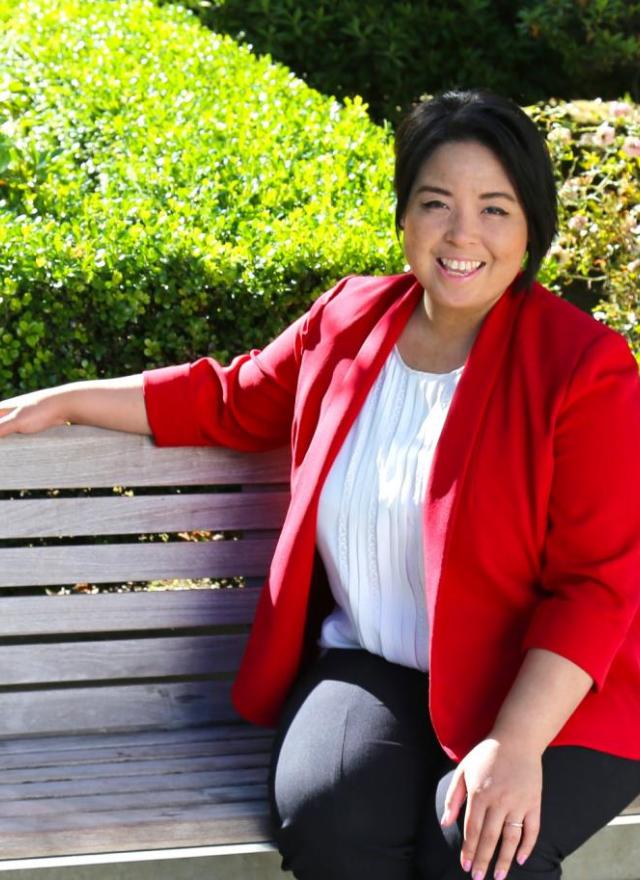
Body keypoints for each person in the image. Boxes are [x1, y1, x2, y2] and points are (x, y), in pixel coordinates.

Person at [1, 89, 639, 880]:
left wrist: (514, 745)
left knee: (471, 853)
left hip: (551, 690)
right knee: (331, 819)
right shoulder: (350, 319)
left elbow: (594, 588)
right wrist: (67, 398)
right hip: (374, 662)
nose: (461, 233)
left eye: (495, 209)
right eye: (436, 202)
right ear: (405, 216)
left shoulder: (581, 367)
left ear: (530, 227)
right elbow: (230, 399)